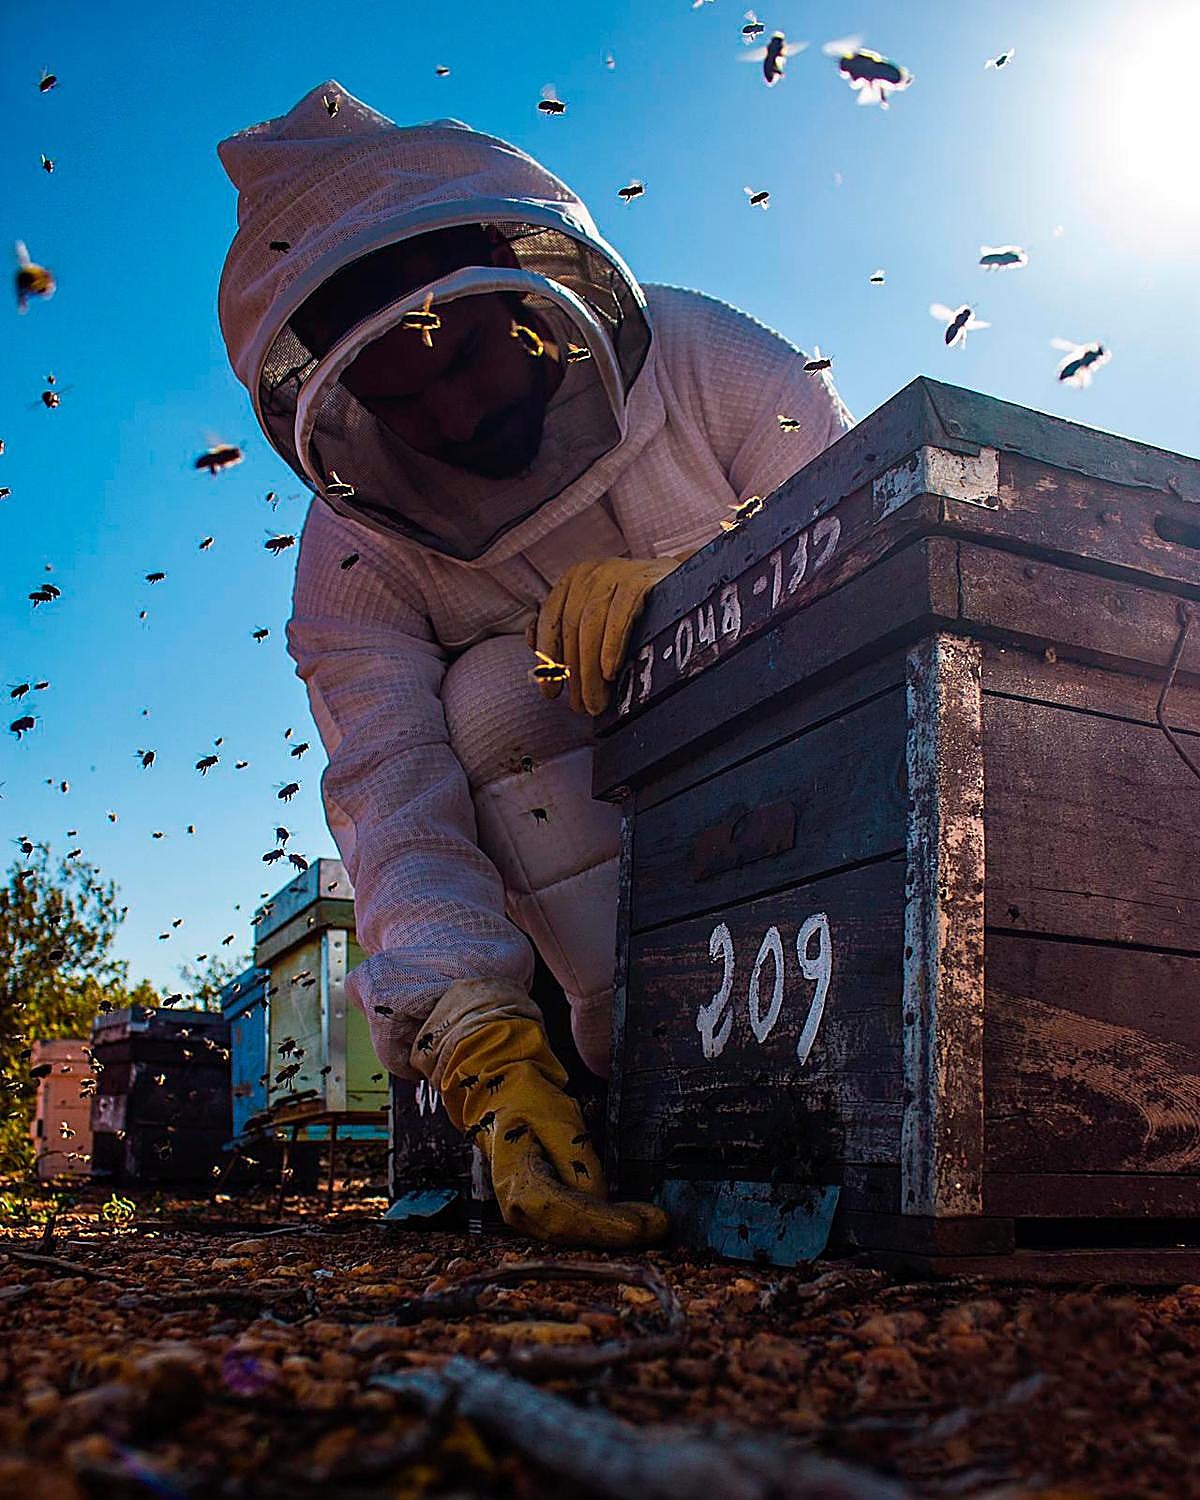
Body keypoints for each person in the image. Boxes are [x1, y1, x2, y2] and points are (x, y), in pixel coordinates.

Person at [216, 80, 854, 1248]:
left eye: (468, 359)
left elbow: (879, 542)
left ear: (532, 295)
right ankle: (616, 1073)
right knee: (495, 697)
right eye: (403, 400)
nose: (455, 414)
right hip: (598, 912)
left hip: (824, 813)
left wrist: (711, 576)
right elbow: (390, 796)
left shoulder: (709, 356)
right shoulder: (353, 562)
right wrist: (473, 1032)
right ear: (343, 408)